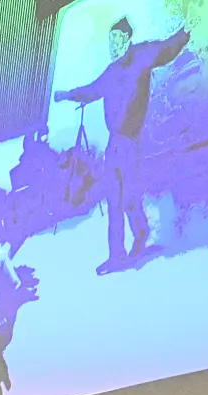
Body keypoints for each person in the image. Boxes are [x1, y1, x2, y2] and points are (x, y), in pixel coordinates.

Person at [55, 16, 191, 273]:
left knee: (129, 198)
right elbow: (92, 90)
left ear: (127, 38)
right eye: (110, 40)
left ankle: (140, 232)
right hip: (113, 146)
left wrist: (184, 33)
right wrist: (67, 95)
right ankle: (115, 256)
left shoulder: (140, 56)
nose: (113, 44)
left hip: (133, 143)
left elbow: (166, 49)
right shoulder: (111, 71)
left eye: (117, 38)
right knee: (114, 201)